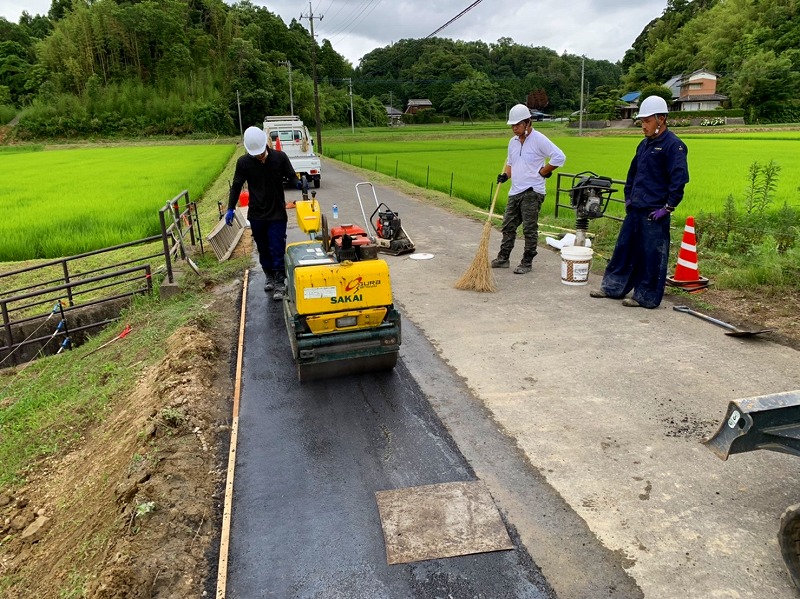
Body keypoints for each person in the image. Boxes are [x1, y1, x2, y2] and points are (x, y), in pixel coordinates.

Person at [590, 95, 690, 308]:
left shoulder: (674, 146)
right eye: (641, 121)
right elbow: (633, 174)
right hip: (636, 208)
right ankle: (612, 287)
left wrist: (668, 207)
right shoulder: (644, 145)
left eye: (647, 121)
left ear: (661, 119)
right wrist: (628, 198)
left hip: (655, 212)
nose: (643, 125)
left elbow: (679, 179)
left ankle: (646, 296)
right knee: (624, 249)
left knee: (652, 255)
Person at [227, 126, 299, 301]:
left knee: (276, 245)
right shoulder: (244, 162)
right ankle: (269, 275)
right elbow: (237, 185)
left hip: (277, 213)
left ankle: (280, 281)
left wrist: (299, 182)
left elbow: (291, 176)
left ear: (265, 144)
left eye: (260, 153)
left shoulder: (279, 158)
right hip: (256, 214)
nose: (258, 156)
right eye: (255, 154)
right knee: (263, 246)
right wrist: (230, 208)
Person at [492, 103, 566, 274]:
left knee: (529, 228)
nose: (514, 128)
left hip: (533, 191)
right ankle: (503, 258)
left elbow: (559, 156)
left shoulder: (539, 139)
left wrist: (545, 171)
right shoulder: (513, 142)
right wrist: (506, 176)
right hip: (515, 191)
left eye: (518, 125)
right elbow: (511, 163)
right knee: (508, 226)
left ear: (528, 122)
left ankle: (527, 262)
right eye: (513, 125)